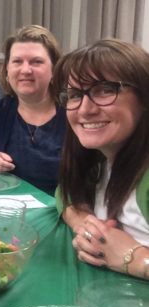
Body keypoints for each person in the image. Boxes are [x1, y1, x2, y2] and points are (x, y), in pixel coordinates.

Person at [55, 39, 149, 279]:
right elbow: (64, 193)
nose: (85, 109)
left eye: (105, 90)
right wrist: (84, 224)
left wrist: (136, 259)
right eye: (75, 95)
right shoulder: (101, 162)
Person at [0, 25, 66, 195]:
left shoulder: (75, 114)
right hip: (8, 208)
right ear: (7, 70)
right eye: (17, 61)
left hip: (60, 211)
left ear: (54, 70)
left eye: (36, 62)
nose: (25, 70)